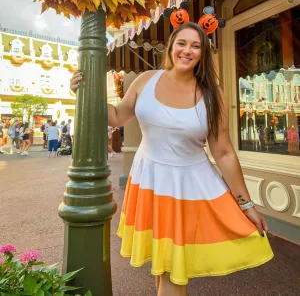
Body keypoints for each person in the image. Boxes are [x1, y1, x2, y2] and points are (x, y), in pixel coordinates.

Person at [70, 22, 273, 296]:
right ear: (171, 47)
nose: (187, 50)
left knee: (173, 273)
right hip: (150, 183)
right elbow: (118, 115)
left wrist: (246, 204)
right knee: (163, 267)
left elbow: (223, 151)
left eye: (195, 45)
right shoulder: (146, 79)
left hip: (190, 189)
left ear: (203, 53)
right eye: (182, 43)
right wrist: (85, 91)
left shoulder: (212, 95)